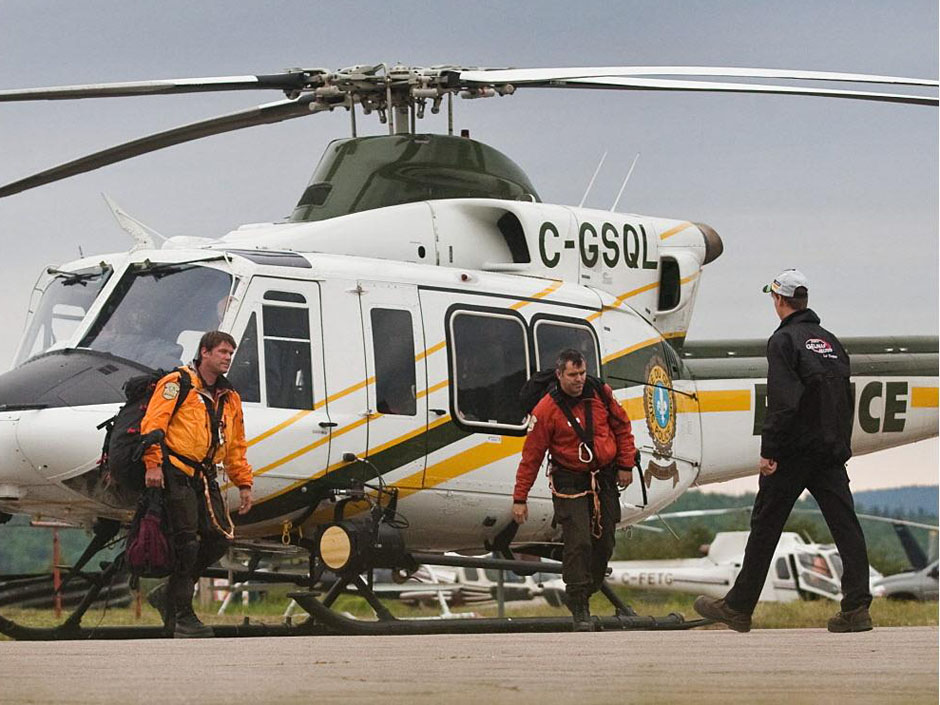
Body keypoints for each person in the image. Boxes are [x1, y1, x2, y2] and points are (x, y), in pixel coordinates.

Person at [694, 269, 873, 633]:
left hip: (792, 452)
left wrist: (770, 449)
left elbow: (783, 402)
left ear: (779, 300)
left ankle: (739, 607)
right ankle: (857, 608)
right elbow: (845, 398)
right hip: (829, 451)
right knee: (846, 527)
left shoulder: (784, 341)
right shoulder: (831, 342)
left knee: (765, 526)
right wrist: (840, 446)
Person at [512, 348, 637, 631]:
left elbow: (622, 426)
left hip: (603, 479)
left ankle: (585, 590)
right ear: (559, 375)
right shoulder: (546, 410)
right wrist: (520, 497)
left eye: (582, 373)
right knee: (578, 542)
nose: (579, 379)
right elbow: (531, 456)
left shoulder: (599, 392)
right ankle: (579, 602)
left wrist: (626, 464)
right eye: (573, 375)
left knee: (604, 542)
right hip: (569, 482)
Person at [141, 330, 254, 638]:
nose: (228, 357)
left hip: (204, 475)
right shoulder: (177, 384)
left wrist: (243, 482)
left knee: (219, 538)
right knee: (186, 543)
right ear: (204, 352)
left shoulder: (230, 397)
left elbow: (236, 444)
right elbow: (153, 425)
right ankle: (181, 612)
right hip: (175, 471)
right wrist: (153, 464)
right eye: (222, 352)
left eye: (230, 353)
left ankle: (169, 594)